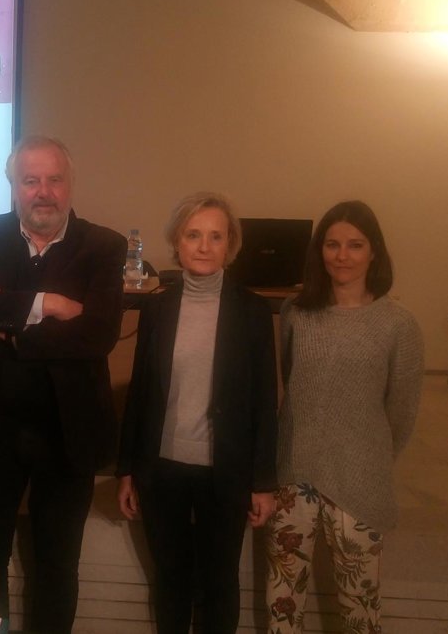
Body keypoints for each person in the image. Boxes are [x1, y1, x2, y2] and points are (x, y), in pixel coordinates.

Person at [0, 135, 127, 633]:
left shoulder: (104, 246)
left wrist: (8, 324)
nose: (43, 192)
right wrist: (49, 305)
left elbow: (98, 334)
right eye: (30, 181)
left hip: (69, 434)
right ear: (14, 187)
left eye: (54, 179)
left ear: (70, 185)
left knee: (56, 566)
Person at [116, 192, 279, 634]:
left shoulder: (253, 312)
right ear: (177, 242)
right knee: (170, 579)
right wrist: (127, 468)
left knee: (219, 581)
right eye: (193, 235)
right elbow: (141, 393)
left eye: (215, 236)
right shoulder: (157, 308)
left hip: (224, 471)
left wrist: (264, 482)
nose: (204, 246)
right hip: (162, 469)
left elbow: (265, 401)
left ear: (230, 245)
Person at [264, 200, 424, 633]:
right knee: (282, 599)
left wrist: (368, 454)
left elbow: (402, 411)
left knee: (360, 607)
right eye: (332, 244)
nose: (342, 255)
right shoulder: (295, 312)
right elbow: (292, 382)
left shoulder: (398, 324)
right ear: (319, 251)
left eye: (355, 245)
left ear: (374, 252)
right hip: (295, 468)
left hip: (359, 477)